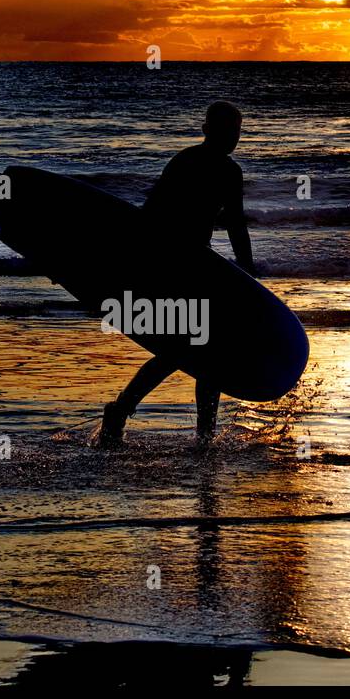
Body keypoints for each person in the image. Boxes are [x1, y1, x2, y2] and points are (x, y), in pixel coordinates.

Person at [95, 101, 256, 449]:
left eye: (237, 132)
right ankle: (131, 412)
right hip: (169, 265)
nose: (233, 138)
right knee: (191, 349)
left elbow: (236, 224)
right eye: (227, 130)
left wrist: (248, 271)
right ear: (208, 130)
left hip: (199, 267)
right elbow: (150, 213)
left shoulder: (230, 172)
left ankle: (135, 414)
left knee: (195, 350)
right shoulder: (187, 161)